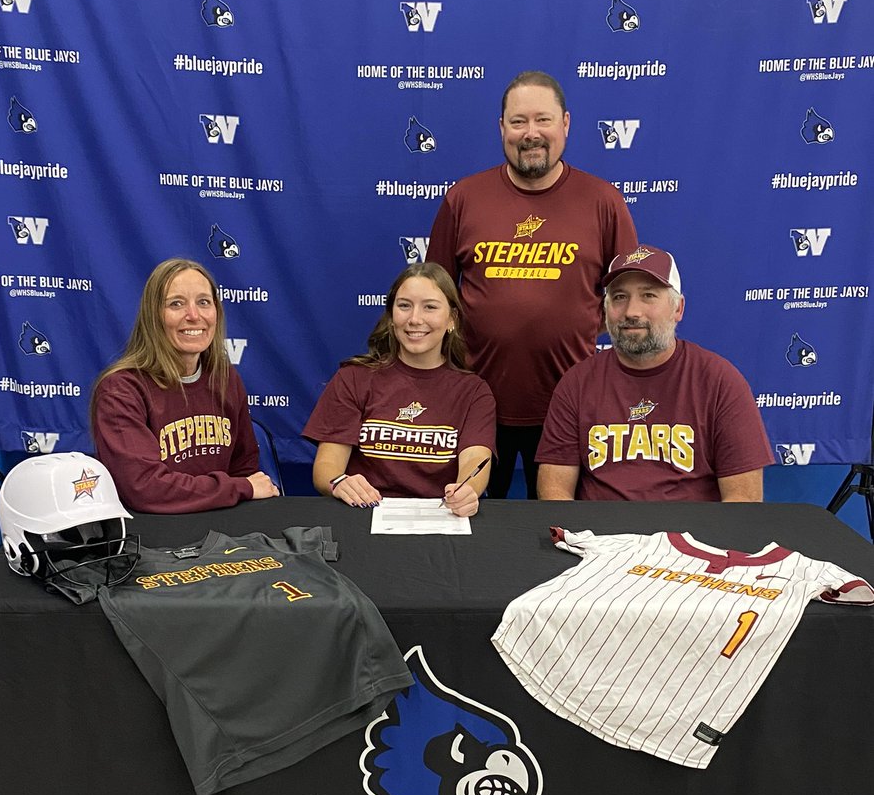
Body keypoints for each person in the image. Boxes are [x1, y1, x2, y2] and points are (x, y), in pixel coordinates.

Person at [426, 70, 637, 499]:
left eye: (543, 120)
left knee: (565, 530)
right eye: (519, 121)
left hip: (569, 403)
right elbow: (434, 295)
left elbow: (628, 299)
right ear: (501, 127)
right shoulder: (464, 198)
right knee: (473, 524)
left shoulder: (603, 201)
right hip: (477, 401)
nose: (531, 133)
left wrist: (572, 324)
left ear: (566, 124)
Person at [536, 244, 773, 501]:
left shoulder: (719, 382)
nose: (631, 312)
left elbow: (744, 501)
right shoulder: (577, 383)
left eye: (648, 296)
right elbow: (554, 491)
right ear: (605, 310)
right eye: (619, 297)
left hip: (688, 537)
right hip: (601, 537)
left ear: (678, 309)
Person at [303, 263, 495, 516]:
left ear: (451, 319)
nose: (415, 319)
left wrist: (466, 491)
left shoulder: (474, 391)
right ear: (392, 317)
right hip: (363, 514)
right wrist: (340, 483)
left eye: (430, 307)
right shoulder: (353, 378)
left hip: (440, 518)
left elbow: (475, 460)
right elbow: (326, 467)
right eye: (404, 305)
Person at [91, 257, 278, 512]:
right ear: (153, 316)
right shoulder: (121, 391)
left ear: (216, 312)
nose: (194, 315)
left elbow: (244, 466)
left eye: (203, 302)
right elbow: (145, 489)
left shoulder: (224, 378)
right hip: (154, 536)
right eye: (176, 304)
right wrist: (239, 488)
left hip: (221, 529)